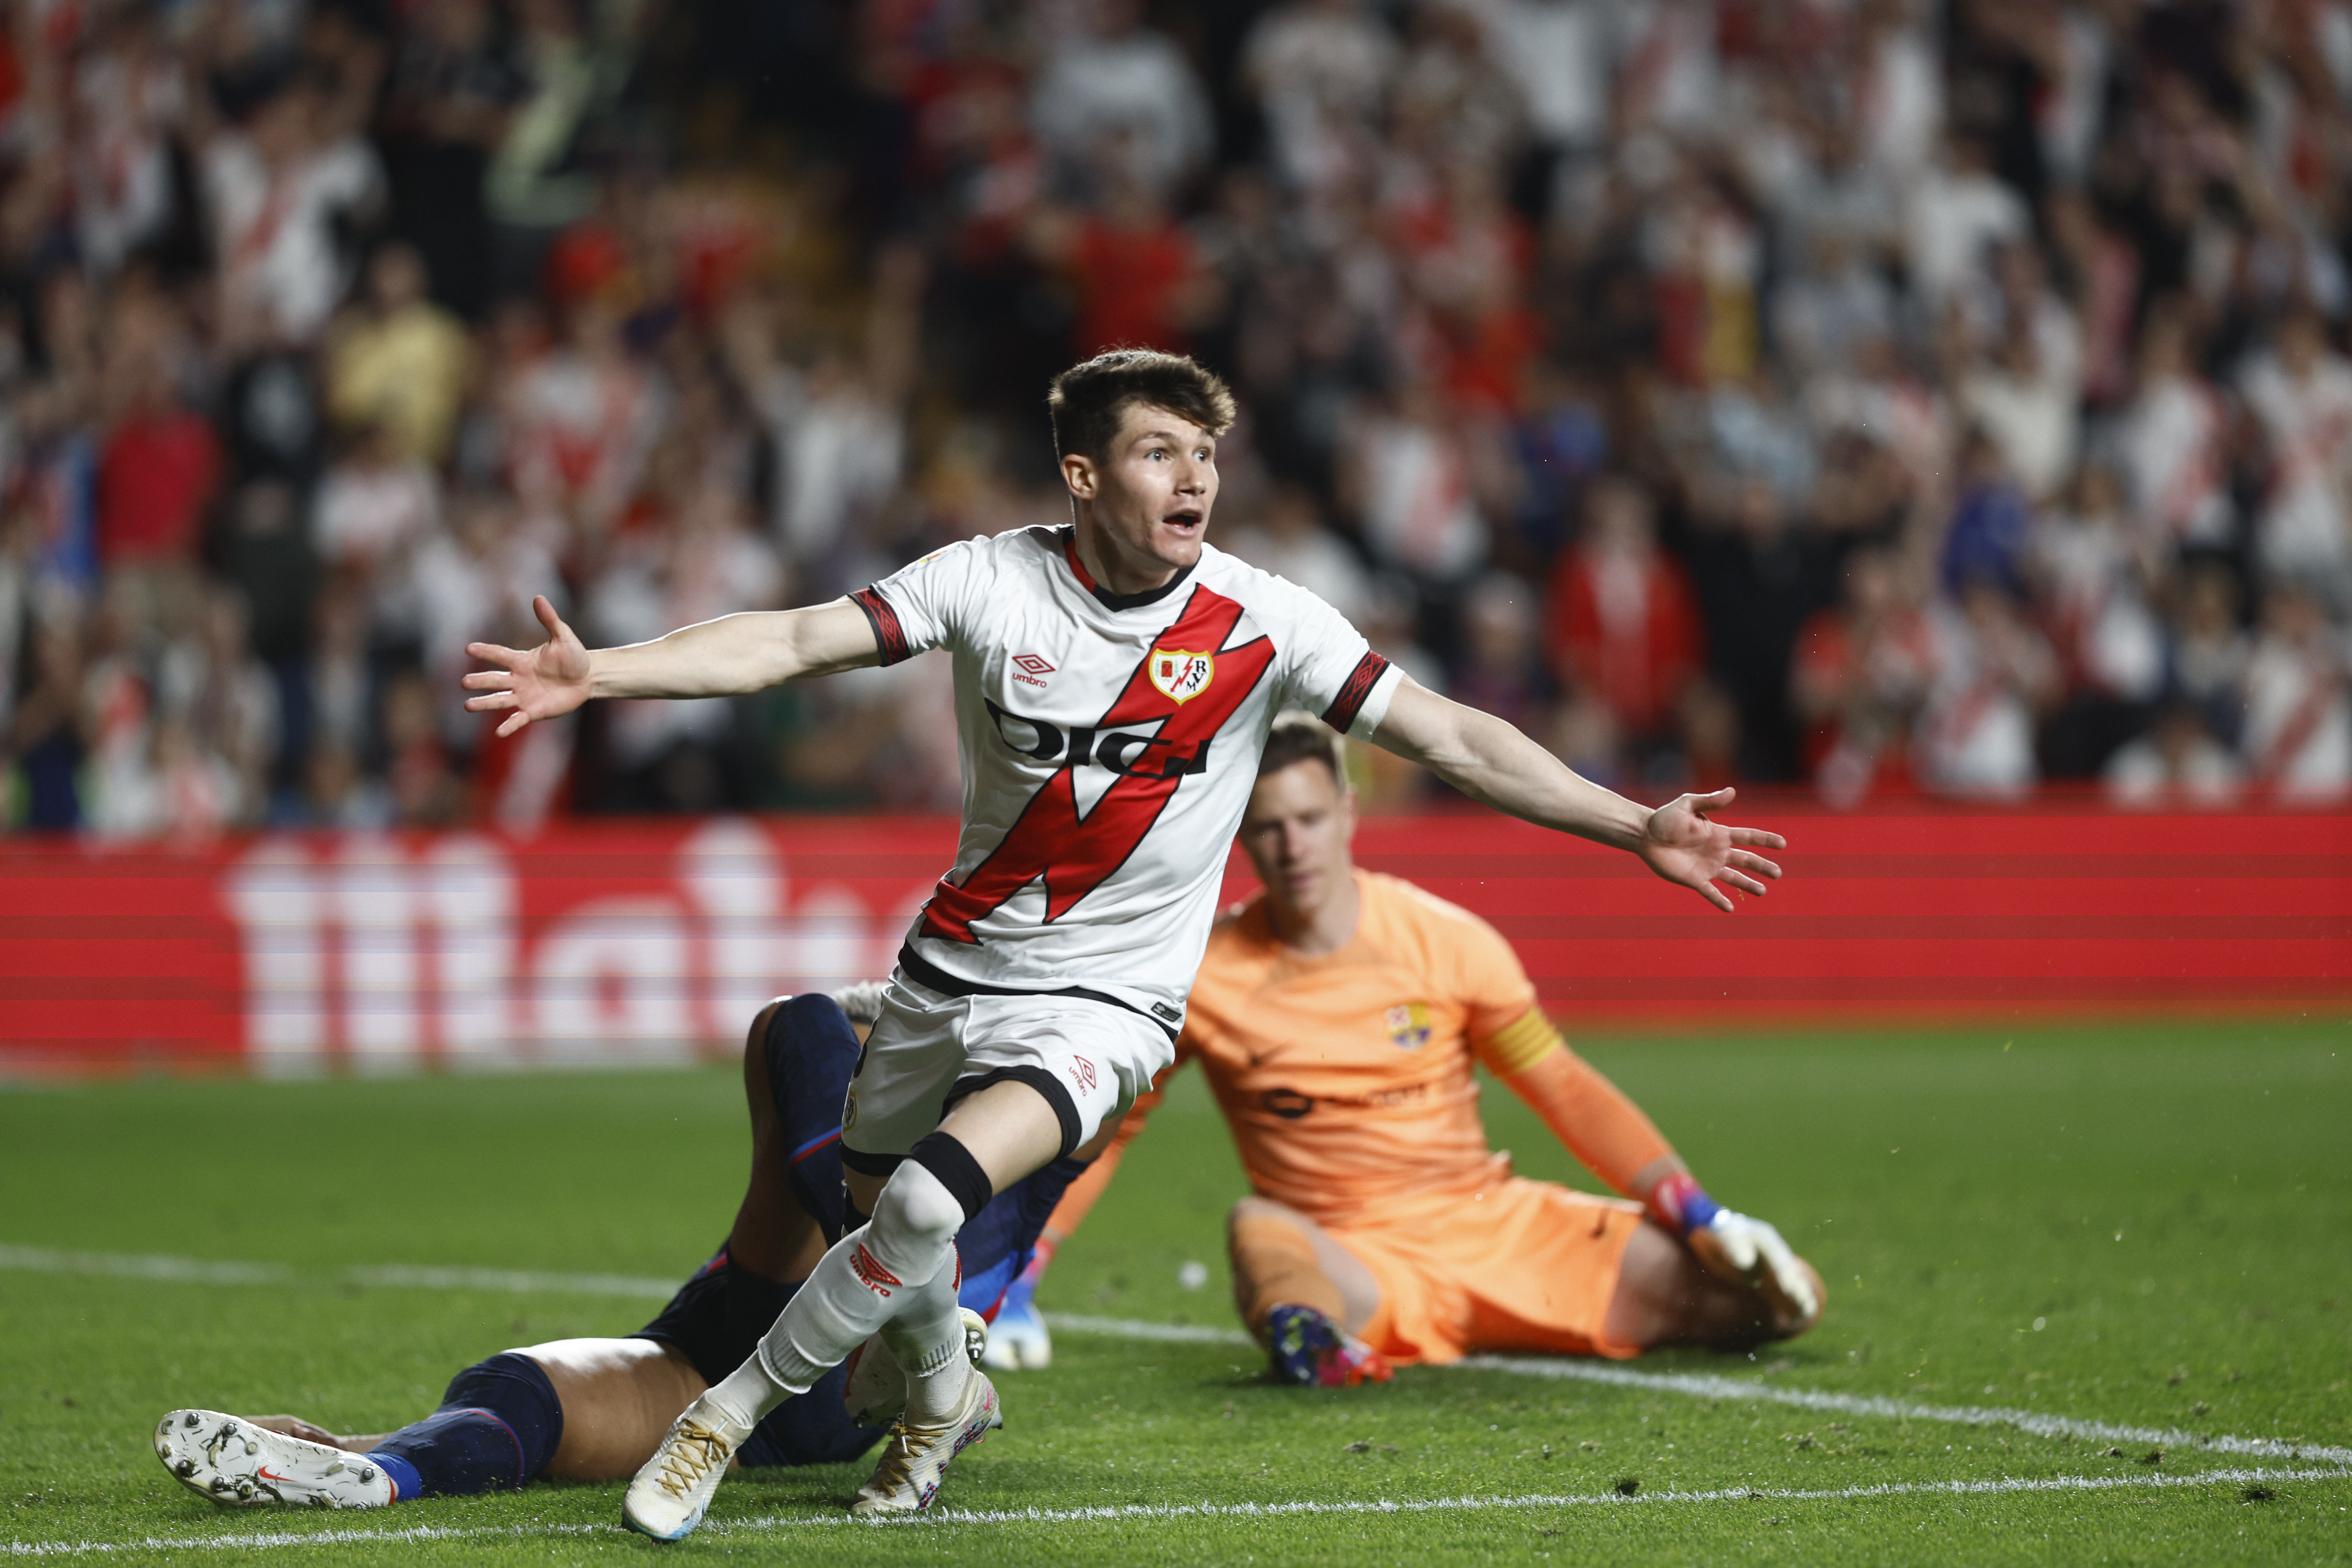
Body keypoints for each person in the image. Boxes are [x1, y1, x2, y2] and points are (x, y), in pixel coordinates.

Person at [456, 349, 1785, 1537]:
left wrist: (1632, 824)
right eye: (1162, 452)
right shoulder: (988, 581)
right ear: (1083, 473)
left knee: (925, 1204)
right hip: (954, 971)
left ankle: (722, 1421)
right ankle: (938, 1403)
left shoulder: (1266, 620)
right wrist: (604, 671)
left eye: (1207, 454)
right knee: (884, 1233)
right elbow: (797, 643)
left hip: (1111, 1005)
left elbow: (1451, 734)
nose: (1195, 478)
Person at [993, 717, 1824, 1385]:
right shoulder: (1202, 973)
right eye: (1269, 827)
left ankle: (1348, 1335)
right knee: (1261, 1229)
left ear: (1349, 812)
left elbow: (1564, 1088)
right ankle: (1315, 1342)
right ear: (1239, 836)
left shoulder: (1448, 940)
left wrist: (1698, 1210)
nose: (1293, 846)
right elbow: (1108, 1132)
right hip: (1353, 1261)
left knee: (1786, 1300)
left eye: (1310, 819)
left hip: (1499, 1232)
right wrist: (1019, 1279)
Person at [152, 988, 1086, 1509]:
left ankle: (890, 1295)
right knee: (523, 1393)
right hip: (755, 1376)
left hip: (819, 1331)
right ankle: (383, 1467)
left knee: (799, 1024)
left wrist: (893, 1017)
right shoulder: (1070, 1063)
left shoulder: (1065, 1061)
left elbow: (806, 1028)